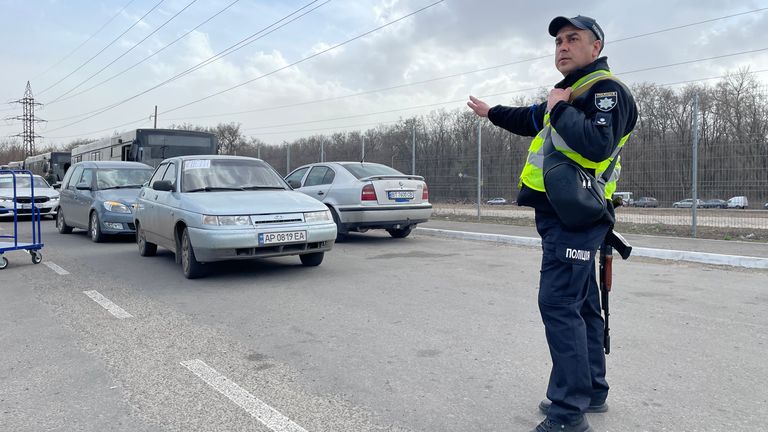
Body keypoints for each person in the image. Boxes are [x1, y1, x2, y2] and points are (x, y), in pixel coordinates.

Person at [467, 15, 638, 432]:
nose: (562, 46)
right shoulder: (571, 91)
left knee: (559, 305)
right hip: (565, 214)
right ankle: (593, 390)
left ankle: (568, 414)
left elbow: (597, 145)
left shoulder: (605, 92)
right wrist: (492, 112)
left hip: (575, 216)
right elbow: (529, 120)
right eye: (559, 40)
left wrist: (558, 106)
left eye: (573, 39)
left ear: (596, 47)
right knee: (582, 304)